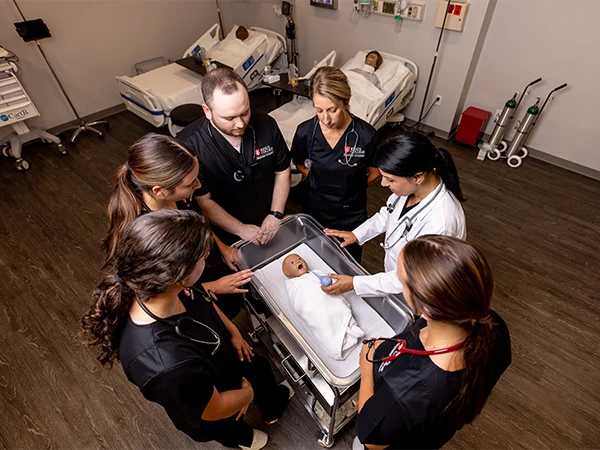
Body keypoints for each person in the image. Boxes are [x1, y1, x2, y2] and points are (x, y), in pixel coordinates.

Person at [82, 210, 291, 450]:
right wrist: (247, 394)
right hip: (214, 407)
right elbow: (214, 410)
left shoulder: (162, 286)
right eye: (204, 257)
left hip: (222, 361)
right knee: (230, 426)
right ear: (180, 276)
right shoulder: (167, 365)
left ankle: (268, 409)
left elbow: (203, 298)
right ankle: (245, 439)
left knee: (259, 369)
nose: (207, 260)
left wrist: (232, 331)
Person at [354, 235, 512, 450]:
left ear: (426, 309)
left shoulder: (411, 390)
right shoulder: (494, 326)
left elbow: (372, 441)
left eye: (402, 282)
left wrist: (366, 366)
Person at [103, 133, 252, 319]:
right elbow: (164, 294)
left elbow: (199, 224)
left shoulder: (177, 198)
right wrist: (215, 287)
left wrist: (224, 249)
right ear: (160, 191)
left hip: (207, 269)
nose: (198, 186)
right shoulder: (149, 237)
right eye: (190, 184)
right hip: (195, 292)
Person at [323, 132, 466, 296]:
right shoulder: (409, 190)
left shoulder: (441, 223)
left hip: (419, 292)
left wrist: (354, 283)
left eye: (390, 179)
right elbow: (388, 213)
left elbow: (408, 277)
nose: (383, 184)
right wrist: (356, 234)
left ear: (418, 177)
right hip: (396, 277)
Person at [177, 68, 291, 245]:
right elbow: (204, 200)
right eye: (229, 118)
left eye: (245, 113)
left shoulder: (267, 125)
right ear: (207, 111)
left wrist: (275, 214)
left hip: (270, 219)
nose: (240, 124)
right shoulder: (189, 146)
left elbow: (282, 171)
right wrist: (240, 229)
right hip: (227, 232)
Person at [291, 66, 380, 262]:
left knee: (347, 263)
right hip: (316, 211)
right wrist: (317, 180)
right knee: (314, 260)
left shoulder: (366, 135)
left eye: (332, 110)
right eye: (319, 110)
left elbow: (375, 173)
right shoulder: (305, 132)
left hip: (351, 216)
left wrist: (352, 186)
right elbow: (300, 164)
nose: (326, 119)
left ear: (346, 102)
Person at [282, 254, 364, 360]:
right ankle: (335, 343)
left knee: (338, 307)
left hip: (331, 302)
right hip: (314, 307)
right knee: (322, 319)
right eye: (292, 263)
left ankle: (348, 327)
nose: (298, 261)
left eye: (299, 259)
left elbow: (334, 283)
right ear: (287, 272)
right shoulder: (294, 287)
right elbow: (299, 303)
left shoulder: (317, 273)